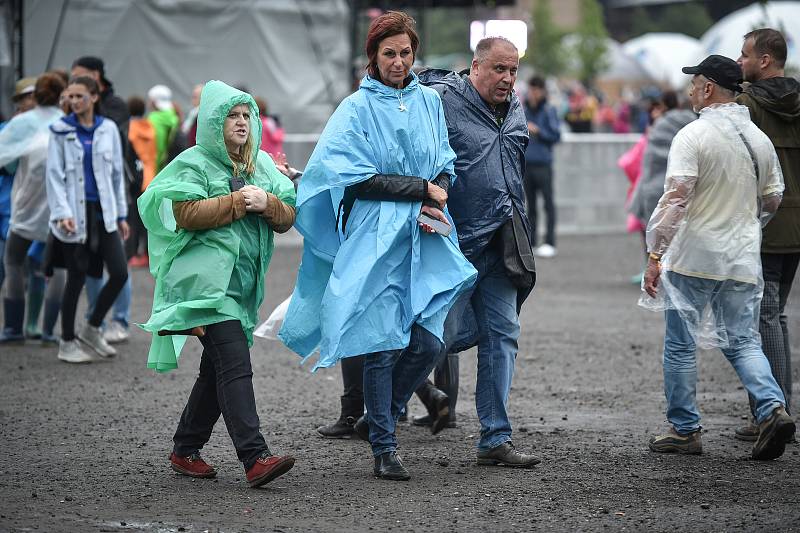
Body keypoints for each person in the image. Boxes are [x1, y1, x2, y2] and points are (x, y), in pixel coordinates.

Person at [279, 11, 476, 481]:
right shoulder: (355, 108)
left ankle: (378, 415)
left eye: (405, 52)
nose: (399, 61)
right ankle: (385, 448)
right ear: (373, 56)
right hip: (374, 235)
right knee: (381, 342)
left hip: (426, 231)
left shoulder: (429, 101)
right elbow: (356, 177)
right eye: (389, 53)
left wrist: (439, 189)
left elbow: (445, 161)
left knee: (431, 339)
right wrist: (422, 189)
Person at [138, 80, 297, 488]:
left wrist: (271, 203)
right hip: (205, 288)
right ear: (212, 121)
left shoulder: (260, 164)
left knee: (217, 369)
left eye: (246, 115)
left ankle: (184, 449)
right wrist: (241, 201)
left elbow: (286, 217)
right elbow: (185, 212)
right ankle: (255, 457)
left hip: (242, 288)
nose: (242, 122)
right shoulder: (192, 163)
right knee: (235, 365)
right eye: (232, 115)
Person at [640, 55, 795, 460]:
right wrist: (744, 225)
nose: (691, 90)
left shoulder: (694, 136)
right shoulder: (757, 138)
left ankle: (685, 429)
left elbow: (676, 200)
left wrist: (655, 253)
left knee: (680, 343)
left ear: (708, 88)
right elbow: (773, 198)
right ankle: (772, 408)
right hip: (742, 257)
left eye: (695, 84)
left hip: (694, 255)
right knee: (743, 339)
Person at [413, 37, 540, 468]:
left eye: (513, 71)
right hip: (455, 246)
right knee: (435, 339)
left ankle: (495, 437)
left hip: (504, 243)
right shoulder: (439, 101)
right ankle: (382, 419)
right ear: (475, 67)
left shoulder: (515, 106)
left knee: (503, 335)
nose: (507, 79)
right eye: (500, 69)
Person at [734, 28, 800, 441]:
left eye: (744, 56)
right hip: (796, 225)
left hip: (766, 224)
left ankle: (774, 411)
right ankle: (777, 408)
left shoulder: (748, 105)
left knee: (765, 316)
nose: (739, 62)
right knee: (778, 315)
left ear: (764, 61)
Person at [45, 76, 129, 363]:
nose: (73, 101)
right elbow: (53, 176)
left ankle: (92, 327)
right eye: (70, 96)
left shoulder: (108, 130)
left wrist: (120, 214)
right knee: (75, 278)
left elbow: (117, 174)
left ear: (94, 97)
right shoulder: (58, 131)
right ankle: (66, 342)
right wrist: (61, 213)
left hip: (103, 213)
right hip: (73, 216)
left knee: (119, 272)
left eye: (80, 95)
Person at [0, 73, 67, 343]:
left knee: (13, 261)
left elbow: (6, 161)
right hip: (61, 207)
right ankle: (47, 330)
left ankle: (14, 329)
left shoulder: (22, 123)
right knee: (56, 267)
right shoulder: (67, 123)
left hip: (27, 204)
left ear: (34, 96)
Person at [523, 76, 561, 258]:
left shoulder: (548, 110)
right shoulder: (524, 110)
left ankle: (550, 241)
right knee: (530, 206)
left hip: (543, 165)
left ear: (542, 91)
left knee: (548, 204)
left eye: (536, 90)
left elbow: (556, 136)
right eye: (531, 90)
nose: (533, 94)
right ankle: (531, 241)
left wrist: (539, 131)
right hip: (526, 165)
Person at [125, 96, 157, 268]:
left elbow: (127, 157)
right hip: (150, 175)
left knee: (134, 218)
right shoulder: (149, 127)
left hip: (134, 180)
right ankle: (146, 253)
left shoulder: (129, 129)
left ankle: (133, 254)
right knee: (147, 218)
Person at [70, 56, 129, 132]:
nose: (74, 82)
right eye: (73, 78)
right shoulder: (71, 103)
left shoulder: (116, 106)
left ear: (95, 75)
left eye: (77, 77)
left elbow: (113, 135)